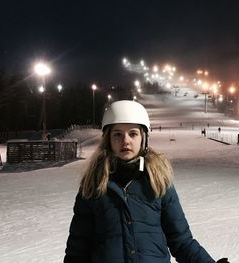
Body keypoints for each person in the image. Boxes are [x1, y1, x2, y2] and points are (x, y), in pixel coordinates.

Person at [64, 100, 229, 263]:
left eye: (133, 134)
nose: (125, 140)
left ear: (143, 138)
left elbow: (182, 241)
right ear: (108, 139)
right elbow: (77, 251)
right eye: (117, 134)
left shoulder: (158, 181)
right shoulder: (94, 184)